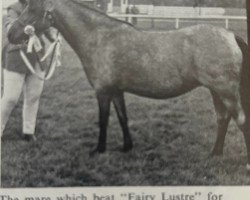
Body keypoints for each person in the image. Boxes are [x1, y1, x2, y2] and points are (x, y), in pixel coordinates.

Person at [1, 0, 56, 141]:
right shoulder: (14, 8)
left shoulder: (42, 7)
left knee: (33, 96)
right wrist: (24, 30)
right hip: (16, 55)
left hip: (37, 55)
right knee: (10, 98)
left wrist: (55, 37)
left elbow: (48, 29)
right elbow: (10, 27)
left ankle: (28, 131)